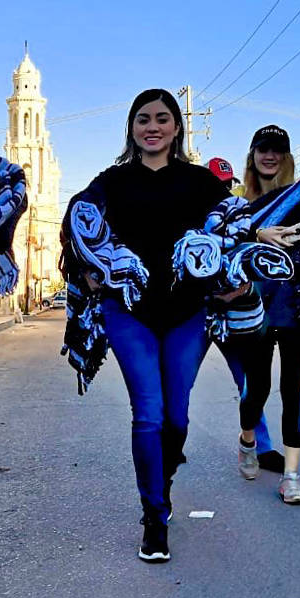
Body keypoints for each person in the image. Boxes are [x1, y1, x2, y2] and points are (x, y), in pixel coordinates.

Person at [61, 89, 257, 563]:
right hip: (128, 312)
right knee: (148, 413)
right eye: (143, 118)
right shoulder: (110, 182)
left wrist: (238, 275)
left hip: (188, 313)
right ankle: (154, 516)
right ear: (131, 127)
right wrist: (86, 269)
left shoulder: (201, 183)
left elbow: (239, 226)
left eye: (162, 118)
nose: (153, 126)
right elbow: (74, 226)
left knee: (177, 416)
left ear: (176, 127)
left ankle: (161, 482)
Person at [228, 125, 300, 504]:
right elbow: (223, 247)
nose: (270, 156)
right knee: (257, 388)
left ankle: (292, 476)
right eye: (263, 149)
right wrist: (255, 235)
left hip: (298, 306)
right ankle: (248, 439)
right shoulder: (236, 204)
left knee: (295, 388)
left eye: (277, 150)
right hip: (254, 311)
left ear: (287, 156)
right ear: (252, 156)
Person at [204, 155, 287, 478]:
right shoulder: (193, 217)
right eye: (216, 186)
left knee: (250, 383)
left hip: (239, 315)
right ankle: (166, 451)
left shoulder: (243, 217)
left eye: (227, 185)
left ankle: (258, 446)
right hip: (199, 315)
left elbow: (256, 260)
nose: (223, 192)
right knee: (177, 385)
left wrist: (246, 284)